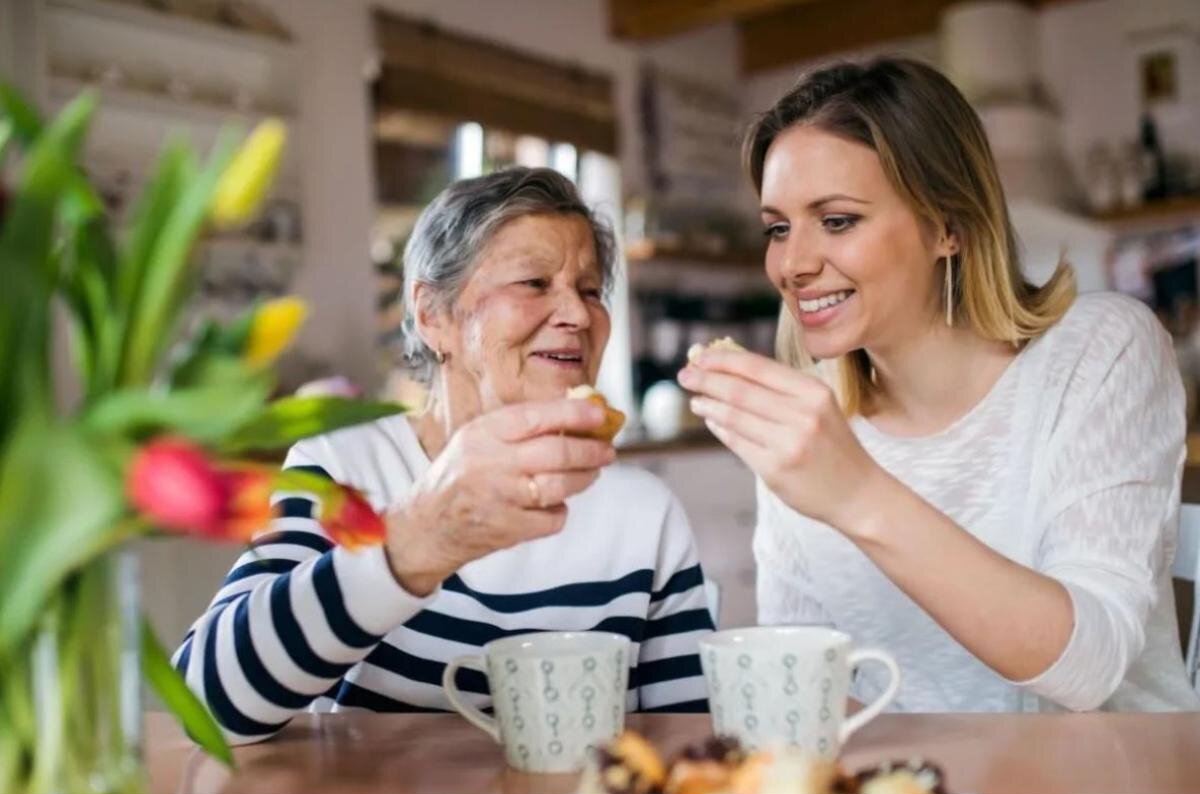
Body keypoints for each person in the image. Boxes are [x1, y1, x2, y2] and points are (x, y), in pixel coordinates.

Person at [679, 57, 1199, 712]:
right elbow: (810, 683)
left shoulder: (1101, 350)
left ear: (947, 226)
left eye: (837, 220)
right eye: (778, 228)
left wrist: (856, 492)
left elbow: (1088, 668)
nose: (793, 263)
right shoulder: (811, 414)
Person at [176, 168, 714, 744]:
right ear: (434, 315)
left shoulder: (643, 513)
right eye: (534, 282)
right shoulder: (344, 469)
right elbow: (204, 705)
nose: (578, 315)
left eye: (589, 290)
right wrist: (416, 544)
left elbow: (691, 745)